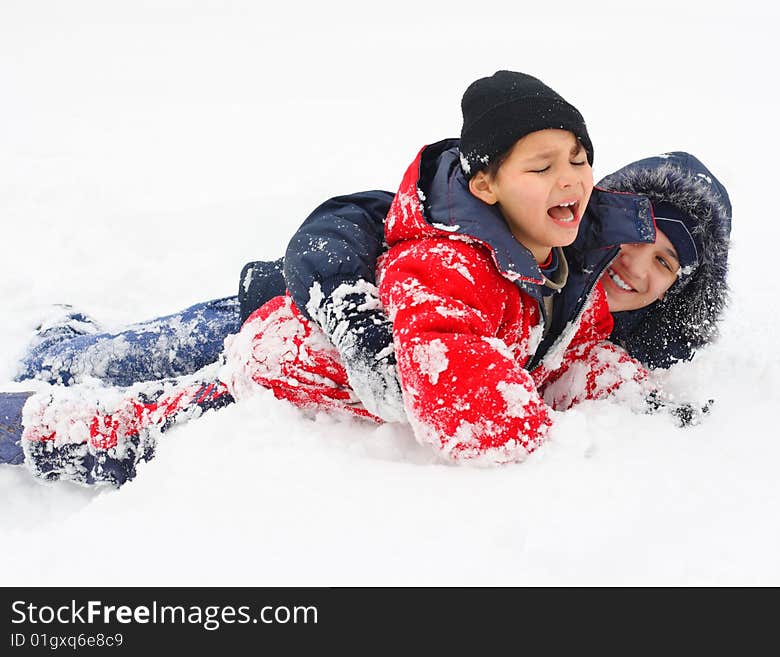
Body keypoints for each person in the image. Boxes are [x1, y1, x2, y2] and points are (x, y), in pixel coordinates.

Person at [0, 71, 732, 485]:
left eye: (668, 264)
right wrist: (346, 303)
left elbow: (571, 351)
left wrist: (635, 397)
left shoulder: (562, 270)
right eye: (543, 166)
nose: (641, 267)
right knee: (125, 427)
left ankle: (53, 373)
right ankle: (30, 398)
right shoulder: (465, 251)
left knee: (141, 414)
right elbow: (473, 407)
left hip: (312, 359)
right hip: (293, 338)